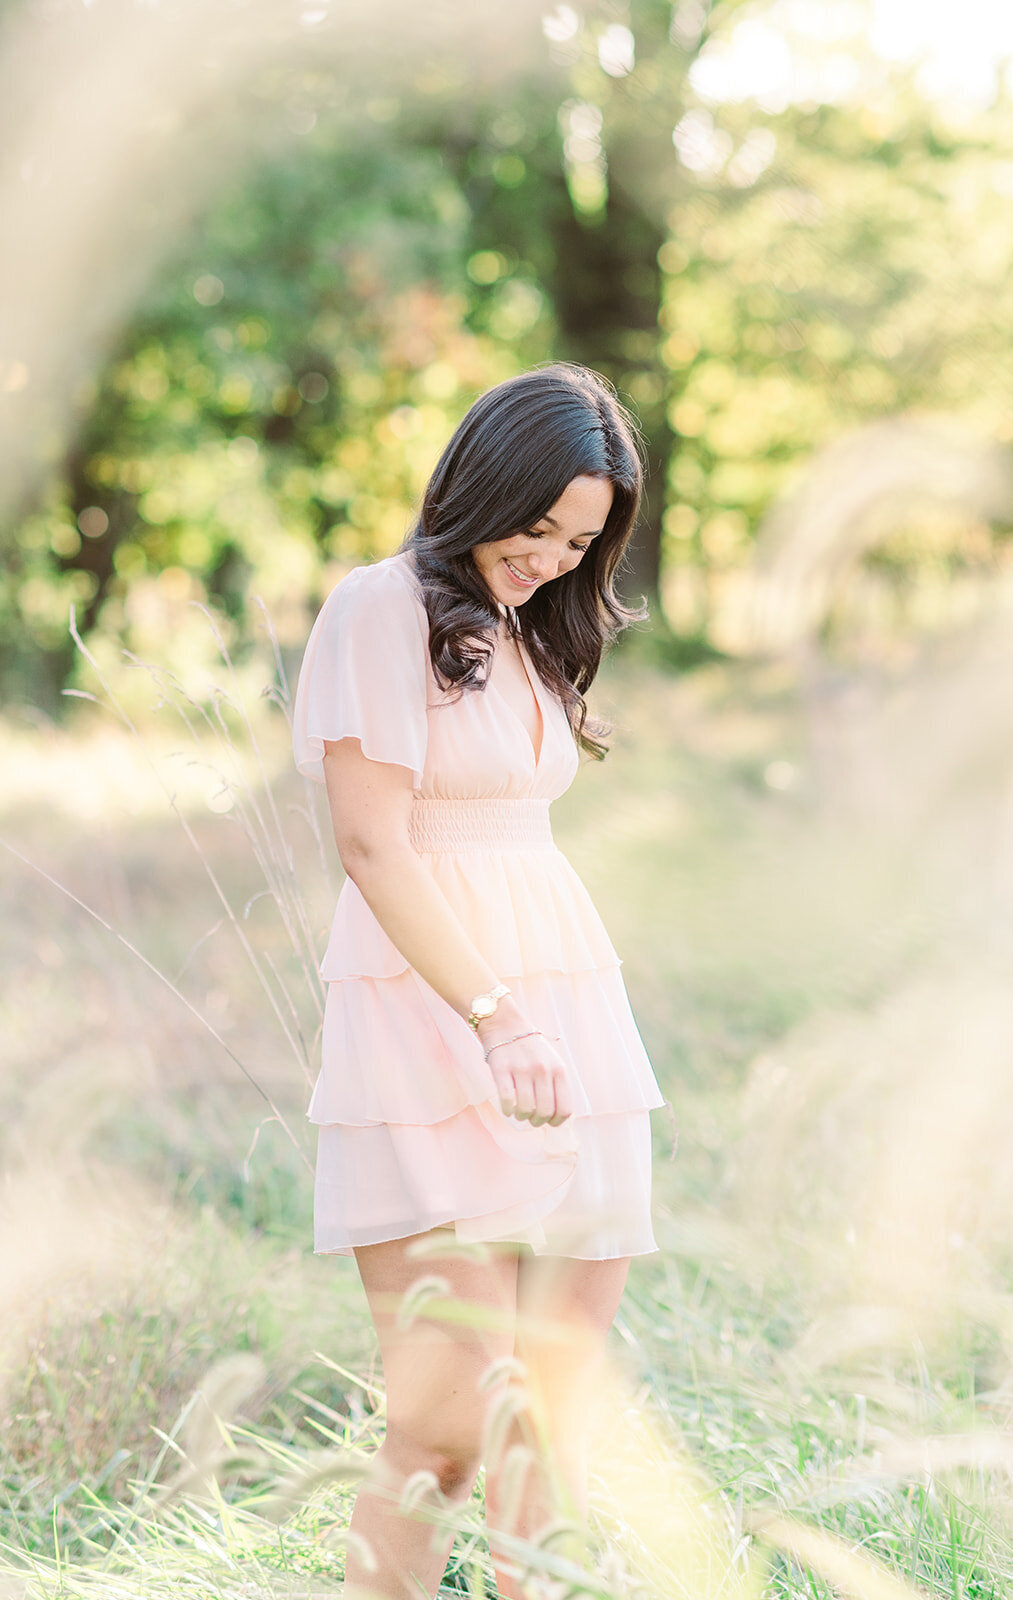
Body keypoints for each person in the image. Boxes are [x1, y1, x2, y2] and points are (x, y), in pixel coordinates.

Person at [290, 362, 670, 1598]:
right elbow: (372, 846)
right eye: (541, 526)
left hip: (567, 1005)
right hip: (433, 1020)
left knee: (548, 1424)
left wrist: (538, 1019)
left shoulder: (525, 625)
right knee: (446, 1433)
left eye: (582, 540)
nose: (557, 558)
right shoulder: (379, 606)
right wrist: (497, 1018)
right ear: (483, 485)